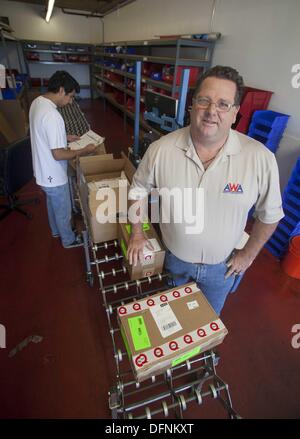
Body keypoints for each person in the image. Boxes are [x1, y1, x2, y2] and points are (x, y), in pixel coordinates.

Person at [127, 65, 284, 315]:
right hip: (174, 259)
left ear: (235, 113)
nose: (212, 111)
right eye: (204, 101)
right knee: (174, 315)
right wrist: (137, 233)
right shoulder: (161, 149)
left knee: (208, 319)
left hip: (222, 268)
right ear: (191, 105)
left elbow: (271, 215)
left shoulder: (259, 158)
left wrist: (248, 255)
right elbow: (137, 191)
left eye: (223, 104)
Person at [29, 70, 98, 248]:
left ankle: (56, 231)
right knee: (63, 209)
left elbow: (41, 132)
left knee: (52, 204)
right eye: (70, 96)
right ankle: (68, 240)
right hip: (53, 172)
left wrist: (64, 136)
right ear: (61, 90)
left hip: (42, 171)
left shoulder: (38, 102)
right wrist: (83, 150)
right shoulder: (53, 115)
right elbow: (58, 154)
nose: (70, 101)